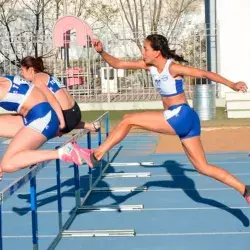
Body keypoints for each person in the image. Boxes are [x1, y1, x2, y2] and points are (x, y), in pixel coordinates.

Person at [76, 34, 250, 204]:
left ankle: (97, 154)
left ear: (156, 52)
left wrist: (232, 85)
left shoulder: (172, 68)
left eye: (145, 49)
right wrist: (101, 52)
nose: (142, 52)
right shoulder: (149, 66)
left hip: (180, 115)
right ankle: (245, 190)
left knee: (128, 119)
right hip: (188, 119)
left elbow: (205, 74)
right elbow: (119, 64)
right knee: (203, 167)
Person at [0, 74, 85, 179]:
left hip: (43, 117)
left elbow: (50, 99)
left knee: (7, 164)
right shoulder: (4, 79)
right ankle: (30, 155)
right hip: (36, 115)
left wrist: (61, 122)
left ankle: (65, 152)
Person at [20, 56, 100, 136]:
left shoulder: (36, 80)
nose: (21, 74)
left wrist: (62, 123)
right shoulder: (46, 75)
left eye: (22, 70)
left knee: (37, 127)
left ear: (30, 70)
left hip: (67, 117)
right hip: (76, 111)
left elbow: (52, 100)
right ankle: (90, 126)